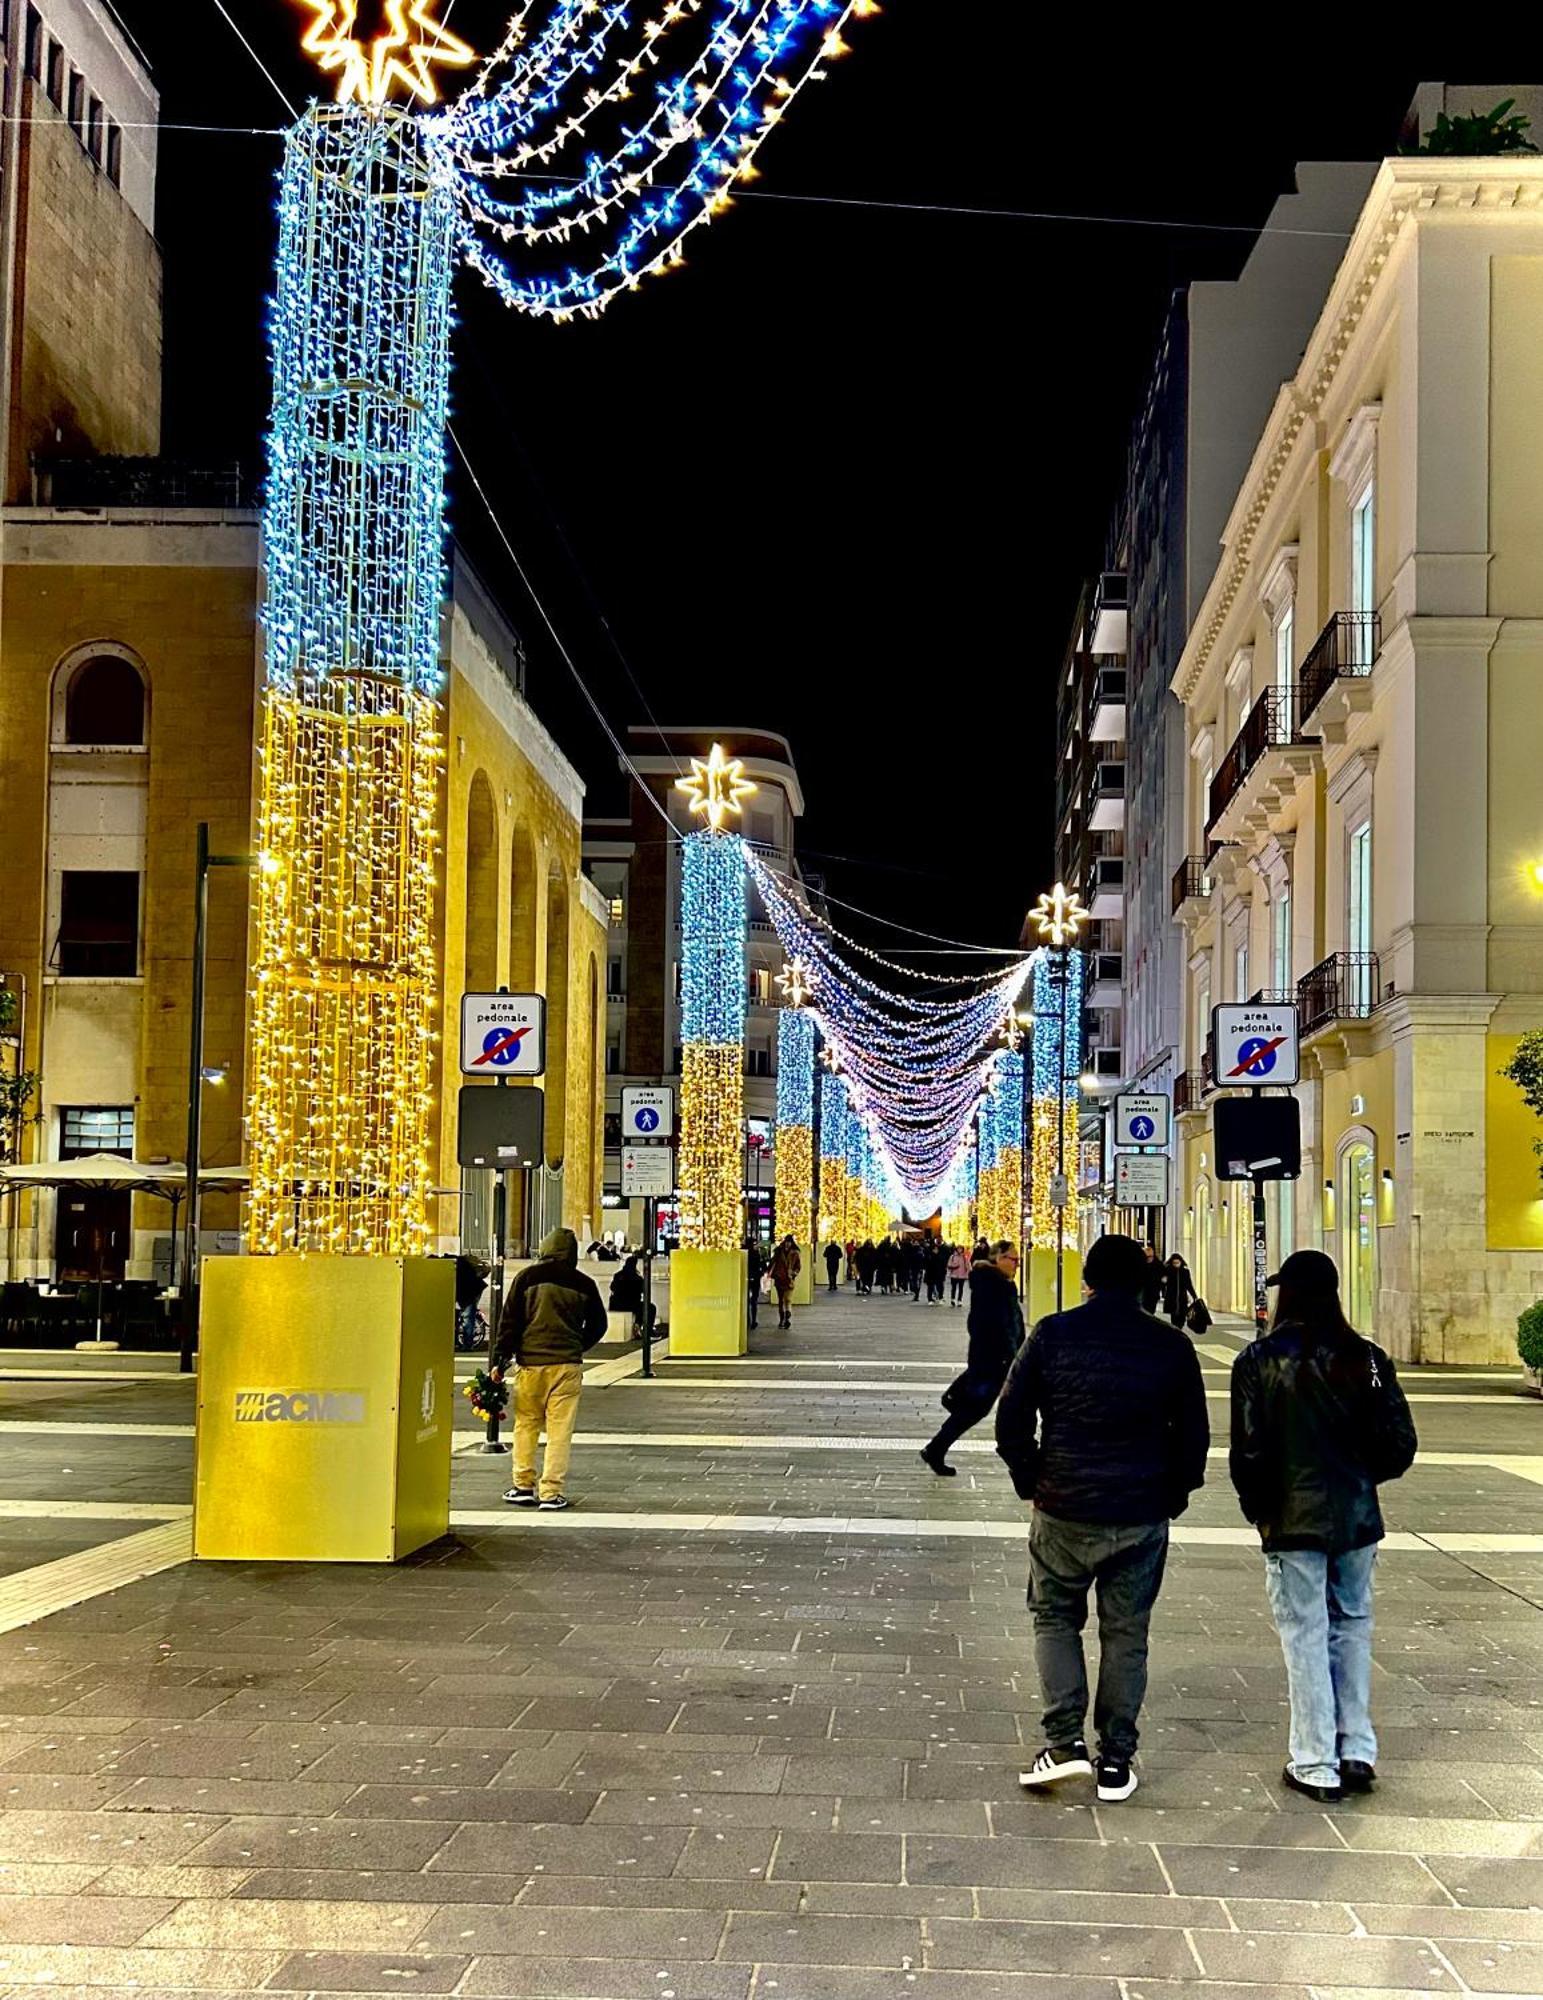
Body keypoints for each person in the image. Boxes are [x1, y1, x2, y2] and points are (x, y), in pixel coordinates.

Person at [996, 1233, 1210, 1804]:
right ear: (1144, 1285)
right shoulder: (1170, 1346)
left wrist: (1032, 1479)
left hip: (1064, 1506)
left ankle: (1064, 1745)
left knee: (1054, 1618)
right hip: (1140, 1512)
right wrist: (1175, 1494)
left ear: (1086, 1281)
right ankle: (1116, 1760)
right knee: (1126, 1633)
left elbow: (1010, 1421)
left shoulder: (1052, 1335)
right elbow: (1194, 1437)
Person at [1229, 1249, 1417, 1804]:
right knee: (1353, 1624)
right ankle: (1356, 1747)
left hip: (1290, 1518)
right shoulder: (1369, 1358)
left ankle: (1314, 1760)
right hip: (1357, 1516)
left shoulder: (1258, 1359)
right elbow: (1400, 1444)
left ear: (1287, 1293)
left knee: (1304, 1633)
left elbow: (1249, 1450)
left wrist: (1259, 1507)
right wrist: (1362, 1478)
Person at [497, 1227, 609, 1512]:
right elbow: (599, 1325)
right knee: (560, 1431)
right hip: (567, 1366)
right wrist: (577, 1346)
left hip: (531, 1365)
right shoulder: (583, 1283)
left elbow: (509, 1321)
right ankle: (551, 1492)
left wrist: (500, 1359)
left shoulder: (526, 1278)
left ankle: (523, 1485)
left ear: (545, 1248)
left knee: (526, 1424)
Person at [921, 1241, 1024, 1476]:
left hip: (992, 1358)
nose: (1017, 1264)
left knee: (974, 1407)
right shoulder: (994, 1285)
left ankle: (937, 1445)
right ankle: (936, 1447)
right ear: (998, 1258)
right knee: (975, 1408)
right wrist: (1008, 1353)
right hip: (994, 1359)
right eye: (1013, 1258)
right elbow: (992, 1324)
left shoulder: (998, 1283)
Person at [770, 1236, 801, 1330]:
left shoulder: (795, 1253)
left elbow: (798, 1266)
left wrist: (793, 1273)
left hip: (789, 1279)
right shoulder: (779, 1251)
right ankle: (782, 1319)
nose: (788, 1244)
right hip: (779, 1278)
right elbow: (772, 1262)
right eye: (786, 1242)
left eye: (789, 1242)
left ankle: (787, 1314)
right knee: (781, 1301)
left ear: (792, 1243)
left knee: (787, 1299)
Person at [1161, 1252, 1197, 1330]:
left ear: (1181, 1262)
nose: (1176, 1264)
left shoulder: (1185, 1272)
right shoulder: (1168, 1270)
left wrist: (1194, 1296)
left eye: (1177, 1263)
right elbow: (1163, 1283)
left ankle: (1179, 1328)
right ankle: (1176, 1329)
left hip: (1182, 1297)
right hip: (1172, 1297)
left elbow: (1189, 1285)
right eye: (1174, 1263)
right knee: (1174, 1317)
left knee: (1182, 1316)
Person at [746, 1238, 766, 1331]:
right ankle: (753, 1321)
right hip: (755, 1279)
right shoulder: (757, 1254)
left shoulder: (744, 1254)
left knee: (747, 1301)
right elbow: (763, 1266)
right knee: (754, 1301)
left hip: (746, 1278)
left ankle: (748, 1320)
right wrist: (761, 1273)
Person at [1140, 1243, 1163, 1316]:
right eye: (1146, 1257)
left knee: (1151, 1309)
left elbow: (1163, 1276)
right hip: (1143, 1291)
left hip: (1153, 1292)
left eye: (1150, 1256)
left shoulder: (1158, 1265)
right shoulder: (1140, 1264)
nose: (1148, 1258)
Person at [946, 1242, 970, 1308]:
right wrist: (953, 1266)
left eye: (961, 1249)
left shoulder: (965, 1257)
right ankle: (953, 1299)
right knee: (953, 1288)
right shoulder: (952, 1256)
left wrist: (968, 1273)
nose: (959, 1250)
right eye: (958, 1249)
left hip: (962, 1275)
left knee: (961, 1288)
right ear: (956, 1249)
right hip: (954, 1275)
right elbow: (948, 1265)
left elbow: (968, 1265)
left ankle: (959, 1300)